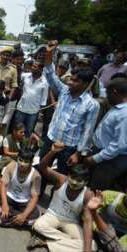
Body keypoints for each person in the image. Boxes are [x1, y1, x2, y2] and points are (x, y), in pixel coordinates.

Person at [39, 40, 100, 180]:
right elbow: (50, 75)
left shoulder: (91, 105)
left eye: (74, 81)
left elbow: (87, 131)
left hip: (69, 148)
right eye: (70, 79)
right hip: (51, 139)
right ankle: (38, 194)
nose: (70, 82)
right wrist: (49, 53)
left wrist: (78, 154)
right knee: (42, 169)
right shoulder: (64, 91)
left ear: (85, 84)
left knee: (61, 177)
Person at [28, 142, 95, 252]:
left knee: (92, 246)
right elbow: (43, 167)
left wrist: (87, 249)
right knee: (38, 225)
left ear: (85, 182)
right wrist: (52, 152)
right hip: (53, 215)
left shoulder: (87, 194)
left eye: (79, 181)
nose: (74, 182)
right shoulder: (61, 180)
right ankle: (68, 244)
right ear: (68, 176)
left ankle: (46, 242)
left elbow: (88, 221)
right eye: (72, 178)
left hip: (71, 222)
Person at [84, 76, 127, 190]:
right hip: (103, 153)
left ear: (115, 92)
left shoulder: (124, 114)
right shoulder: (117, 108)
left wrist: (96, 158)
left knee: (97, 188)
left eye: (107, 93)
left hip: (110, 159)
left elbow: (119, 145)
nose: (106, 97)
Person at [0, 148, 41, 228]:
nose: (22, 164)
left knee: (35, 215)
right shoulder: (11, 166)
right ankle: (15, 220)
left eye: (26, 162)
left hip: (23, 202)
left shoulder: (36, 176)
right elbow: (3, 185)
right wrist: (5, 205)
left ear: (31, 163)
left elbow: (34, 198)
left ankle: (5, 219)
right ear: (17, 158)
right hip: (9, 197)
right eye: (20, 160)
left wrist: (24, 215)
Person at [14, 60, 48, 136]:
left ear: (40, 69)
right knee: (17, 130)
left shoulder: (45, 82)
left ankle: (25, 146)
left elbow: (43, 99)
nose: (32, 68)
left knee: (29, 131)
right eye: (32, 66)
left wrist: (40, 113)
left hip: (33, 112)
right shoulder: (25, 76)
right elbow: (18, 79)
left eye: (35, 67)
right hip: (21, 109)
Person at [0, 46, 18, 133]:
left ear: (10, 57)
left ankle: (1, 141)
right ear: (0, 55)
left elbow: (14, 85)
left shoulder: (13, 69)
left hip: (5, 98)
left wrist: (8, 98)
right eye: (4, 55)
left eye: (8, 55)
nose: (6, 57)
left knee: (4, 122)